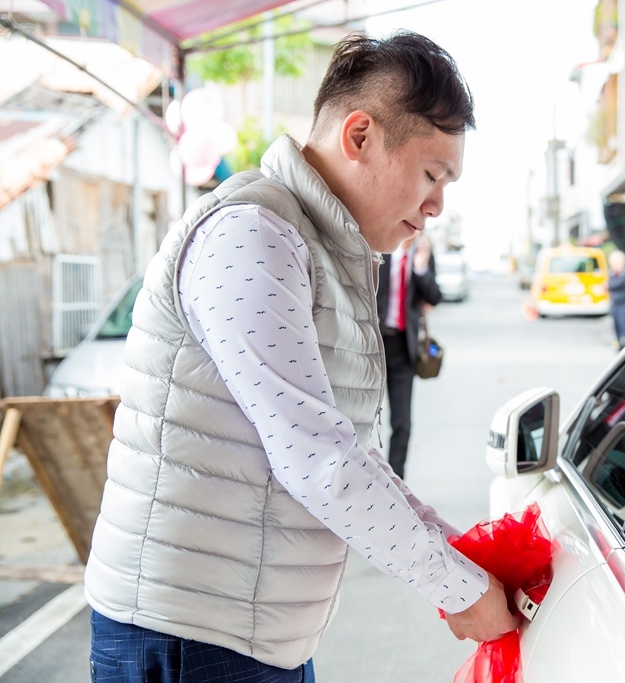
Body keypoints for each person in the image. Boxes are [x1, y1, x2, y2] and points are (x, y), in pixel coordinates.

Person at [84, 31, 519, 682]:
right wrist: (457, 584)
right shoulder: (251, 234)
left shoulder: (319, 245)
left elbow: (349, 454)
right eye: (432, 175)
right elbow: (318, 458)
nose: (436, 206)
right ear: (360, 136)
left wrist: (463, 557)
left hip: (253, 635)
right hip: (187, 636)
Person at [377, 235, 442, 479]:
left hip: (404, 347)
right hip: (376, 344)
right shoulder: (379, 249)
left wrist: (421, 267)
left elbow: (434, 296)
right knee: (365, 416)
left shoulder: (422, 255)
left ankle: (395, 482)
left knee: (402, 422)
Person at [607, 249, 625, 350]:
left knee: (623, 323)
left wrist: (609, 286)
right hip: (614, 302)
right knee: (615, 323)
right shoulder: (612, 273)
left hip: (623, 302)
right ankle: (618, 342)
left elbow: (615, 285)